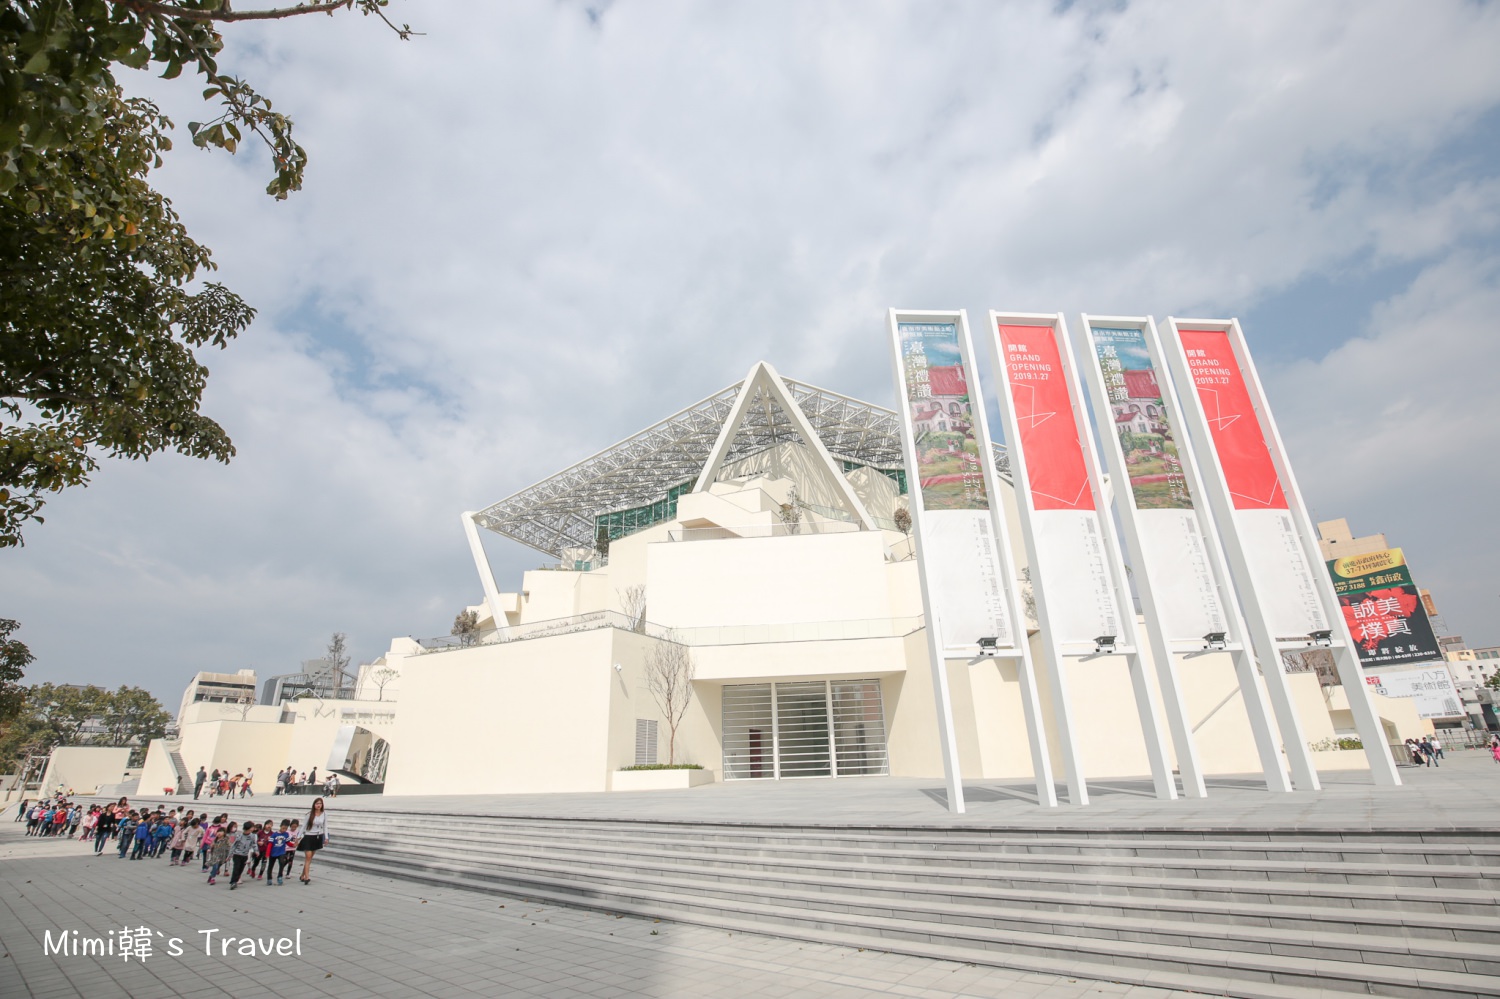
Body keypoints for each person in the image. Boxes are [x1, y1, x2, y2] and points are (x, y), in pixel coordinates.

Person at [298, 798, 328, 885]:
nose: (318, 805)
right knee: (308, 857)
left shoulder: (324, 814)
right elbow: (303, 826)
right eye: (317, 803)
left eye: (320, 803)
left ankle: (302, 875)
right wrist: (298, 837)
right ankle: (307, 877)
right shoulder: (309, 814)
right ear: (314, 805)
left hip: (317, 837)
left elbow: (325, 826)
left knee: (310, 858)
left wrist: (326, 837)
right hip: (308, 836)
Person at [228, 821, 256, 889]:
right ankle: (233, 882)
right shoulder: (239, 835)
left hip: (245, 855)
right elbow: (234, 845)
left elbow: (254, 844)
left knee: (241, 869)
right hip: (237, 854)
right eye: (252, 827)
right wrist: (230, 855)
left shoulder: (252, 836)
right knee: (236, 868)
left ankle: (236, 879)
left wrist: (256, 851)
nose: (253, 828)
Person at [206, 821, 235, 885]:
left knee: (217, 867)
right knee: (215, 866)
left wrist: (230, 854)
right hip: (215, 856)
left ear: (224, 833)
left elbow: (229, 846)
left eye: (221, 832)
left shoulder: (226, 839)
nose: (219, 833)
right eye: (218, 832)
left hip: (223, 856)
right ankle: (213, 878)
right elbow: (211, 846)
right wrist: (210, 848)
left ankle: (211, 875)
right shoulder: (215, 839)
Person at [269, 820, 293, 885]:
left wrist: (293, 845)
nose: (284, 830)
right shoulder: (274, 834)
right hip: (273, 852)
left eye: (286, 829)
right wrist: (267, 853)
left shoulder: (286, 834)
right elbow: (270, 844)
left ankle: (280, 876)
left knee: (282, 863)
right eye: (283, 828)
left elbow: (288, 842)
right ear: (280, 826)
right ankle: (269, 878)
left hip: (281, 852)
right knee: (271, 866)